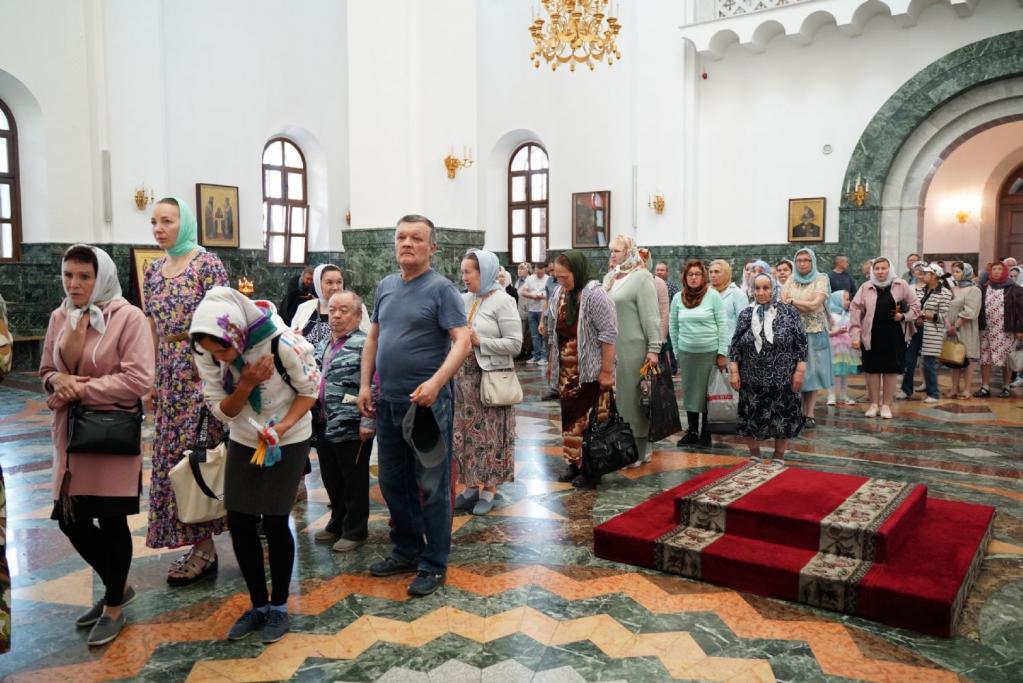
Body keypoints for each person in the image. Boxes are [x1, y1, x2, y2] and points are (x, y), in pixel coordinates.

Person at [40, 245, 155, 646]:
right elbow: (47, 370)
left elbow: (138, 379)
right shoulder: (59, 316)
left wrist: (80, 389)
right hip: (71, 438)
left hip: (109, 436)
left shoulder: (128, 317)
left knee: (110, 520)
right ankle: (116, 587)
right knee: (70, 519)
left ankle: (114, 606)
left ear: (101, 277)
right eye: (68, 275)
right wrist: (56, 381)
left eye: (84, 276)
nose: (74, 284)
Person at [191, 287, 319, 644]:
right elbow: (222, 411)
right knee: (240, 519)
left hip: (288, 436)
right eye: (214, 352)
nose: (220, 358)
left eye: (225, 350)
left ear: (238, 332)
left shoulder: (281, 343)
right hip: (245, 436)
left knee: (276, 520)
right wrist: (246, 383)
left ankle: (279, 606)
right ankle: (258, 605)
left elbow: (310, 390)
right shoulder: (205, 351)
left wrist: (283, 427)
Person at [357, 214, 470, 597]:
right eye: (401, 237)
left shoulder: (442, 289)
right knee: (392, 482)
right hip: (388, 402)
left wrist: (436, 383)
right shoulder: (386, 286)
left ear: (432, 247)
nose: (407, 243)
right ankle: (406, 549)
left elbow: (462, 341)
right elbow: (373, 338)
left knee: (433, 486)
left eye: (416, 238)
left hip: (426, 406)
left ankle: (433, 563)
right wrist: (365, 384)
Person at [144, 197, 229, 586]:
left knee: (198, 456)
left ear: (186, 223)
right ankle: (196, 542)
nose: (159, 229)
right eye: (154, 222)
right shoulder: (153, 269)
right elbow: (151, 326)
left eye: (167, 221)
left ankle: (205, 546)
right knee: (171, 460)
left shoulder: (206, 264)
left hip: (200, 371)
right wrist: (151, 375)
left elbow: (224, 320)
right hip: (168, 374)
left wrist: (212, 371)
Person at [452, 249, 522, 515]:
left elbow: (515, 344)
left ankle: (489, 488)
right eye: (462, 272)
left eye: (469, 272)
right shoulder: (465, 299)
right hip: (464, 380)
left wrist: (481, 341)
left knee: (489, 437)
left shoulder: (503, 301)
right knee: (466, 436)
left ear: (485, 272)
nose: (464, 277)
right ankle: (470, 486)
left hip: (490, 379)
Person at [546, 251, 616, 489]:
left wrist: (606, 372)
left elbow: (609, 334)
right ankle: (573, 462)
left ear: (577, 271)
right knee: (570, 418)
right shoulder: (560, 294)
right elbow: (555, 333)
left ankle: (592, 467)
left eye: (564, 277)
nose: (560, 281)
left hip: (590, 370)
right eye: (557, 277)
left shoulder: (595, 295)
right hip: (567, 371)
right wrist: (552, 363)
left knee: (590, 419)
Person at [313, 291, 376, 551]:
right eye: (332, 310)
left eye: (344, 310)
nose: (336, 316)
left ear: (358, 315)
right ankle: (337, 521)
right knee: (331, 477)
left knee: (354, 479)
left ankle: (355, 530)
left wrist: (368, 421)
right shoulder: (323, 344)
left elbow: (374, 383)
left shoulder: (365, 344)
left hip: (352, 423)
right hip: (324, 422)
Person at [728, 273, 807, 464]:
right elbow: (735, 345)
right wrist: (734, 372)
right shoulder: (746, 314)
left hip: (783, 378)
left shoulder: (789, 312)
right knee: (750, 417)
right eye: (757, 288)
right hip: (751, 378)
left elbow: (802, 344)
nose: (761, 292)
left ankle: (779, 455)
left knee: (783, 417)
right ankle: (755, 453)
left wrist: (799, 372)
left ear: (774, 289)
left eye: (766, 288)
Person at [603, 236, 661, 464]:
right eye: (611, 251)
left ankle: (639, 450)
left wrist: (654, 348)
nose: (613, 255)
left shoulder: (641, 277)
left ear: (629, 251)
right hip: (612, 348)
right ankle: (621, 446)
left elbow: (651, 316)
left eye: (617, 251)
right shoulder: (610, 277)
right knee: (617, 401)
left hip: (634, 348)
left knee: (634, 401)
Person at [849, 257, 920, 419]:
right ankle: (874, 404)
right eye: (877, 268)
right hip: (871, 335)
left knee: (890, 370)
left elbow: (916, 305)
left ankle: (887, 405)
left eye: (883, 268)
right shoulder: (866, 287)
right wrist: (855, 334)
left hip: (894, 334)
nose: (880, 271)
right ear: (872, 270)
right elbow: (855, 309)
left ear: (890, 269)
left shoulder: (900, 284)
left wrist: (904, 316)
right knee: (872, 370)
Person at [669, 260, 729, 447]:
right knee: (690, 394)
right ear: (684, 277)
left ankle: (706, 434)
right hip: (687, 354)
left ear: (703, 277)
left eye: (697, 274)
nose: (693, 278)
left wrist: (722, 352)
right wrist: (677, 352)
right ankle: (692, 432)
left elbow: (722, 324)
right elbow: (673, 326)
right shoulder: (678, 298)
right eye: (690, 274)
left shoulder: (713, 296)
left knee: (706, 395)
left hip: (709, 353)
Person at [780, 248, 832, 428]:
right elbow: (783, 302)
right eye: (799, 260)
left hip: (815, 332)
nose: (802, 263)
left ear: (813, 262)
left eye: (806, 260)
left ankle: (809, 414)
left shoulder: (821, 278)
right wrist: (802, 304)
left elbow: (814, 305)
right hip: (792, 333)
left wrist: (793, 301)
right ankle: (796, 411)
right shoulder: (790, 279)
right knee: (794, 373)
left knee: (812, 375)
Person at [898, 264, 952, 403]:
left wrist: (924, 315)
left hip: (932, 332)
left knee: (928, 363)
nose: (923, 275)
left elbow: (942, 317)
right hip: (916, 329)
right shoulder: (923, 290)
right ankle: (906, 390)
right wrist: (918, 316)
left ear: (934, 276)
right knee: (909, 361)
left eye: (927, 273)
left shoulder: (945, 293)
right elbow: (916, 307)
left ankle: (933, 393)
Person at [975, 260, 1023, 398]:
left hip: (1006, 331)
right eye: (994, 269)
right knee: (985, 358)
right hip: (986, 330)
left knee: (1006, 358)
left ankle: (1006, 386)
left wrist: (1020, 329)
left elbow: (1021, 310)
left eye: (999, 269)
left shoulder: (1014, 289)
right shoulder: (984, 288)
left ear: (1005, 271)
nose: (996, 271)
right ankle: (985, 386)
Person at [291, 264, 369, 345]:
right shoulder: (304, 307)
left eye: (339, 282)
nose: (335, 287)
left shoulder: (356, 306)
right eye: (329, 283)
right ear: (318, 284)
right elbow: (291, 337)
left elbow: (368, 340)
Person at [946, 262, 982, 399]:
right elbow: (946, 308)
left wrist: (956, 326)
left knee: (967, 358)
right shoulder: (953, 289)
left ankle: (967, 389)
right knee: (954, 358)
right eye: (953, 271)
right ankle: (954, 388)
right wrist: (949, 325)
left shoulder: (974, 290)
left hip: (966, 328)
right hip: (951, 327)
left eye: (958, 271)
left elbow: (971, 310)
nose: (954, 274)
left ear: (966, 272)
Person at [827, 290, 859, 406]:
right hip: (834, 348)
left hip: (846, 348)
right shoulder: (830, 315)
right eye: (846, 299)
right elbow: (826, 331)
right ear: (837, 300)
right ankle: (831, 395)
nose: (849, 301)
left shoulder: (848, 315)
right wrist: (836, 332)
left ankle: (843, 395)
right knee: (834, 372)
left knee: (845, 372)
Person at [709, 259, 748, 342]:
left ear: (726, 273)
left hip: (729, 345)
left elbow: (744, 325)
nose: (713, 275)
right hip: (708, 344)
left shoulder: (738, 294)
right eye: (710, 272)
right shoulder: (706, 293)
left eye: (716, 272)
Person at [520, 262, 549, 365]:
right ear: (534, 270)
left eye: (541, 272)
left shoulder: (548, 279)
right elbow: (522, 292)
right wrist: (532, 295)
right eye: (537, 272)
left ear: (544, 270)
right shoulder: (530, 279)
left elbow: (551, 293)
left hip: (544, 310)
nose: (539, 274)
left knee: (544, 334)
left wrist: (542, 296)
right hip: (532, 309)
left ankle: (544, 357)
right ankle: (536, 356)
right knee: (534, 335)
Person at [655, 261, 681, 374]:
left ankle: (673, 369)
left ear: (667, 272)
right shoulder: (650, 285)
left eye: (662, 270)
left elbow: (678, 303)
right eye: (657, 270)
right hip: (654, 320)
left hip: (669, 320)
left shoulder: (672, 286)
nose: (659, 272)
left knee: (670, 345)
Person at [515, 263, 533, 361]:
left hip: (528, 309)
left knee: (528, 333)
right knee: (520, 331)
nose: (519, 270)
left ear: (528, 270)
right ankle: (521, 351)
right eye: (519, 268)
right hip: (519, 310)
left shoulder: (530, 280)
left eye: (522, 268)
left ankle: (528, 351)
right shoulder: (517, 282)